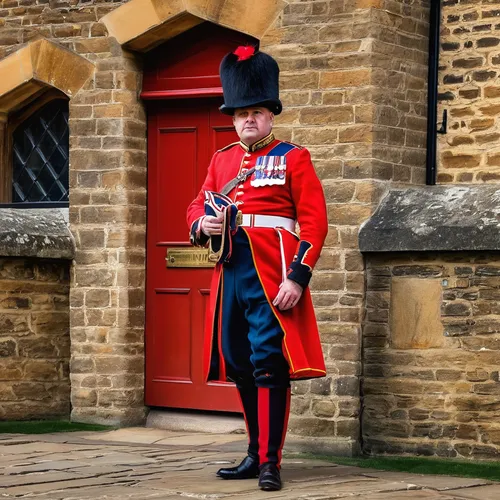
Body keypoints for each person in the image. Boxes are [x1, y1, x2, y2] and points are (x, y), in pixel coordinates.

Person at [186, 45, 328, 492]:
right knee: (239, 362)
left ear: (271, 116)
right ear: (232, 118)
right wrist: (200, 223)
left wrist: (297, 277)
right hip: (231, 274)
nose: (249, 119)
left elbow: (316, 223)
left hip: (271, 277)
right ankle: (252, 453)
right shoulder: (221, 159)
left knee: (269, 362)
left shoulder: (294, 157)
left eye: (258, 112)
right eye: (241, 113)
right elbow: (196, 203)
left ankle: (271, 461)